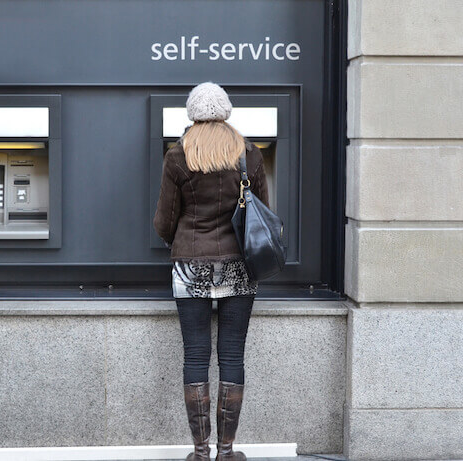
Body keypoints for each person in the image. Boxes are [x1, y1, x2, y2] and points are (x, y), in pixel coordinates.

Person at [153, 82, 269, 461]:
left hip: (190, 266)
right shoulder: (248, 153)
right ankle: (227, 451)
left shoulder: (178, 155)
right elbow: (262, 213)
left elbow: (164, 221)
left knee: (195, 354)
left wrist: (182, 239)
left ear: (192, 113)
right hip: (239, 265)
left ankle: (200, 452)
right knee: (232, 355)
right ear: (226, 111)